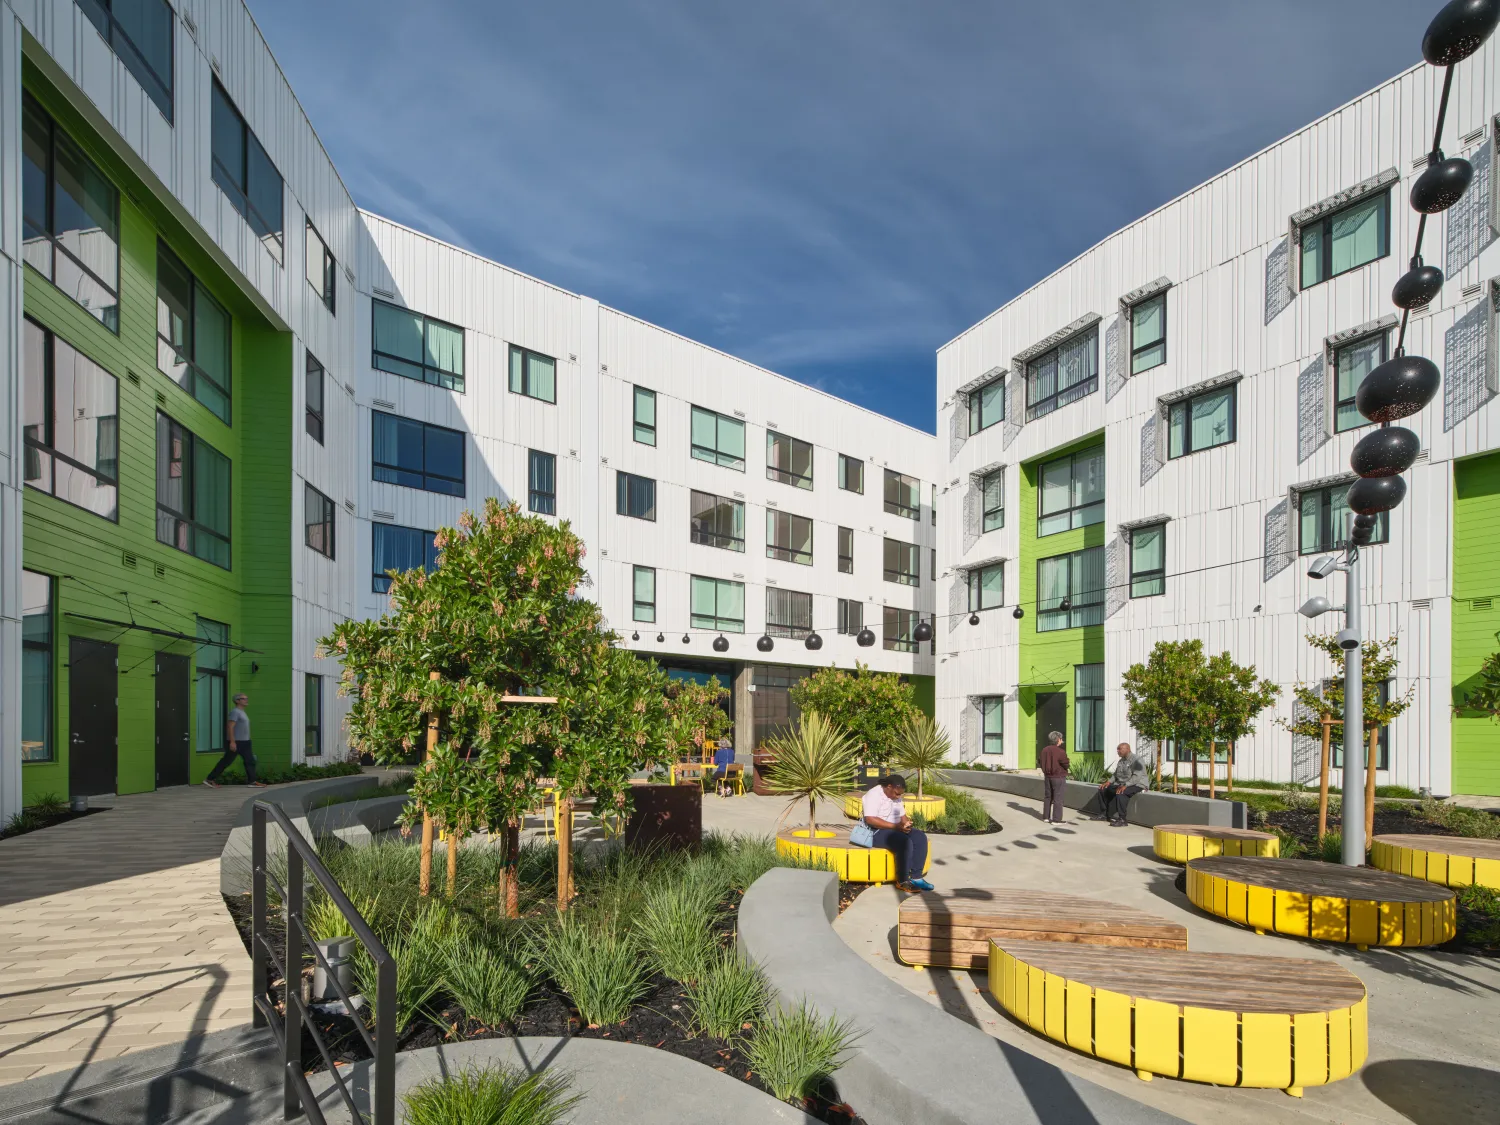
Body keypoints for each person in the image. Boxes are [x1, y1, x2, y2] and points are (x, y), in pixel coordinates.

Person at [860, 773, 933, 892]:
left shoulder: (895, 796)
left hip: (893, 828)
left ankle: (916, 876)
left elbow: (902, 815)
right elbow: (870, 819)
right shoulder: (873, 795)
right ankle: (902, 880)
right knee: (903, 842)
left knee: (920, 837)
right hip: (874, 831)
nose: (898, 796)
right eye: (897, 793)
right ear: (889, 787)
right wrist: (896, 827)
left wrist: (906, 824)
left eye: (900, 794)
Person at [204, 693, 266, 788]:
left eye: (247, 698)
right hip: (237, 742)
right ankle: (209, 779)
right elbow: (230, 726)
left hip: (245, 742)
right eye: (243, 698)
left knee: (250, 761)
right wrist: (232, 742)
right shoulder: (235, 712)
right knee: (226, 761)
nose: (246, 700)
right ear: (237, 701)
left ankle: (252, 782)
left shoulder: (242, 712)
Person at [1096, 742, 1149, 826]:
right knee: (1103, 789)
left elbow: (1136, 777)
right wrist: (1108, 782)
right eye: (1117, 749)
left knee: (1121, 792)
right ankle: (1104, 815)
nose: (1118, 751)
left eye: (1119, 749)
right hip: (1122, 783)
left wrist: (1125, 785)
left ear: (1127, 749)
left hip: (1137, 784)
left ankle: (1122, 819)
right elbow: (1116, 774)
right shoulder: (1121, 760)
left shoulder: (1137, 760)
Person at [1038, 730, 1069, 824]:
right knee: (1058, 798)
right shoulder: (1060, 751)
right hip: (1058, 777)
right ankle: (1056, 819)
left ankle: (1046, 817)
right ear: (1058, 739)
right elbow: (1066, 764)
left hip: (1047, 776)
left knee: (1048, 796)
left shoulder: (1044, 750)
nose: (1061, 740)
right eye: (1061, 739)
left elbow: (1040, 760)